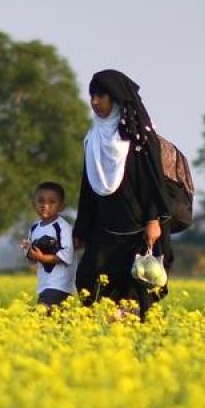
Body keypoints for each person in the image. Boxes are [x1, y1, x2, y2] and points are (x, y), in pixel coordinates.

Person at [73, 69, 173, 321]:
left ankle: (133, 343)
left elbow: (152, 182)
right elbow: (87, 189)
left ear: (116, 98)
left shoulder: (139, 137)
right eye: (92, 96)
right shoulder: (93, 137)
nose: (95, 102)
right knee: (88, 282)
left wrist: (153, 220)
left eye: (101, 96)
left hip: (137, 232)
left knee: (137, 290)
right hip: (104, 231)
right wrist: (81, 229)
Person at [21, 181, 76, 309]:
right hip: (44, 286)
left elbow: (66, 256)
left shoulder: (63, 228)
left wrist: (41, 258)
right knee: (56, 324)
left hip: (59, 286)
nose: (45, 205)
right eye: (41, 201)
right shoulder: (34, 228)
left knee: (41, 317)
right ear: (34, 205)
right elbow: (33, 259)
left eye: (52, 202)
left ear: (62, 206)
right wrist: (28, 251)